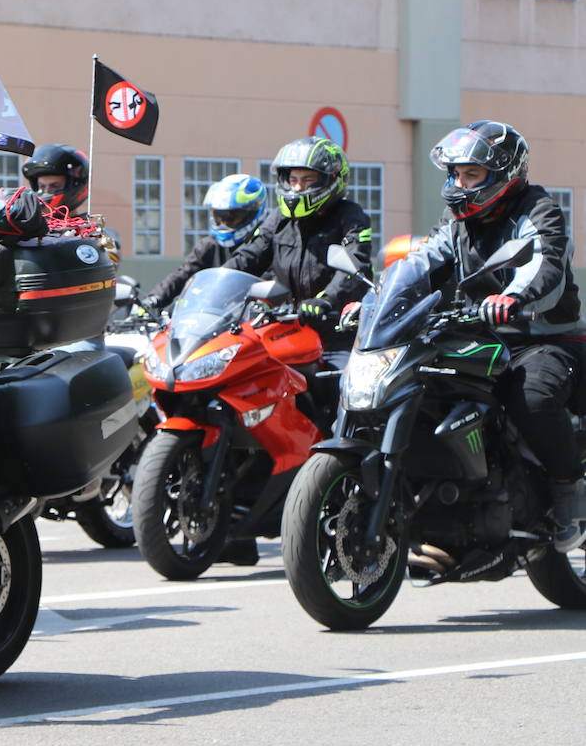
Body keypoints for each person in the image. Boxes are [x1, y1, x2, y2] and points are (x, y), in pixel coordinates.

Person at [400, 120, 586, 551]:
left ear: (503, 174)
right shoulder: (457, 219)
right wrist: (378, 297)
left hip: (541, 336)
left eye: (472, 175)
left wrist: (515, 296)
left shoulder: (538, 209)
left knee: (531, 398)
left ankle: (568, 489)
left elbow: (544, 261)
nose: (459, 185)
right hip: (479, 334)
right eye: (455, 174)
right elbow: (426, 260)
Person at [220, 137, 373, 566]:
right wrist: (216, 282)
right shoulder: (277, 221)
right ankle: (235, 513)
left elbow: (357, 269)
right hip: (282, 332)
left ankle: (350, 502)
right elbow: (248, 257)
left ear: (330, 181)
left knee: (350, 405)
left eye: (309, 180)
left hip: (335, 336)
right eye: (292, 179)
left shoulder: (350, 217)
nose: (299, 188)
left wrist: (324, 301)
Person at [142, 173, 268, 311]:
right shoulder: (209, 245)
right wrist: (153, 299)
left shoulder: (265, 245)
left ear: (254, 212)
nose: (224, 223)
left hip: (255, 321)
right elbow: (182, 275)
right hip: (210, 319)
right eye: (219, 216)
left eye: (232, 217)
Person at [22, 144, 89, 214]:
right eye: (42, 186)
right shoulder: (22, 222)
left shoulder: (86, 224)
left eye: (54, 186)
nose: (46, 191)